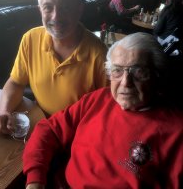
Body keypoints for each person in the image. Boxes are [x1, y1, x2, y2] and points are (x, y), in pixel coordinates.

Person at [23, 32, 183, 189]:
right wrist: (35, 179)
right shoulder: (97, 99)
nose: (125, 82)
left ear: (157, 76)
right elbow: (49, 130)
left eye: (139, 71)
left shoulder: (176, 131)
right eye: (117, 70)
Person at [0, 0, 108, 135]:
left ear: (79, 9)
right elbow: (16, 82)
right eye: (48, 7)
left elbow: (108, 110)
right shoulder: (30, 39)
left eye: (65, 7)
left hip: (77, 135)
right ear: (40, 9)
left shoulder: (100, 55)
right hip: (38, 125)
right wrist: (4, 111)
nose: (56, 17)